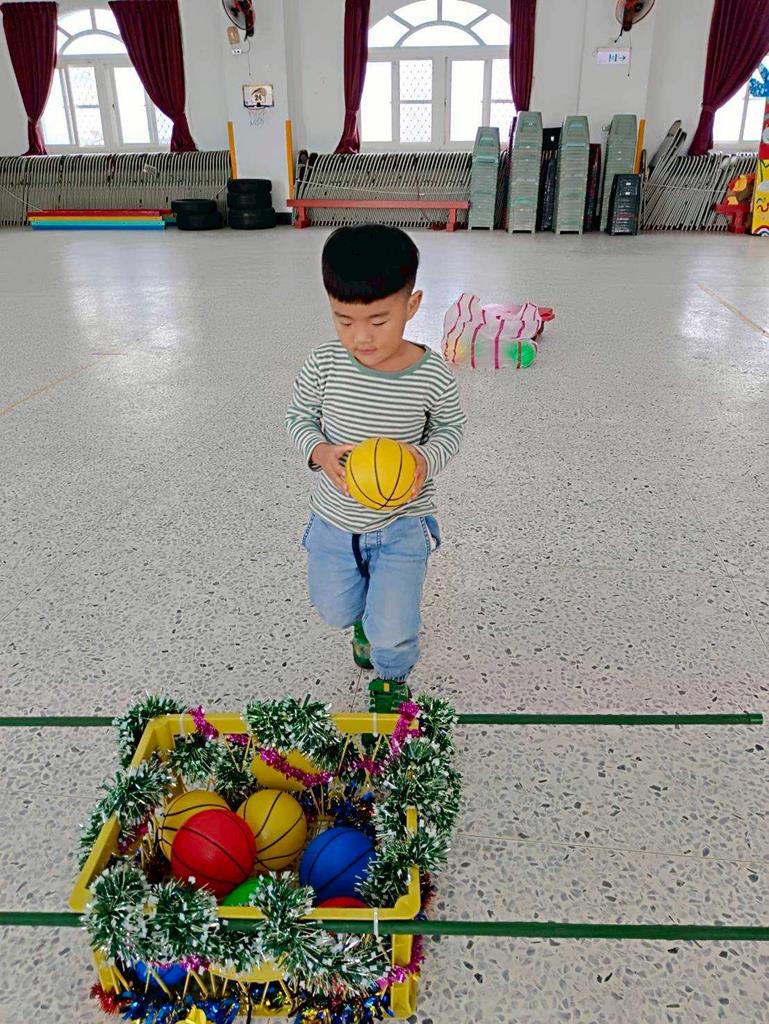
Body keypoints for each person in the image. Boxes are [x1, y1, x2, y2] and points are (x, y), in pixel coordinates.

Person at [286, 224, 465, 703]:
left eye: (378, 321)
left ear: (412, 305)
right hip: (334, 521)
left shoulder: (432, 374)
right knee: (334, 608)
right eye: (344, 320)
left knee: (394, 624)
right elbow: (299, 417)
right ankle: (362, 624)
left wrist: (425, 457)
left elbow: (451, 427)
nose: (361, 337)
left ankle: (392, 677)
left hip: (402, 522)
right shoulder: (324, 363)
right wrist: (320, 451)